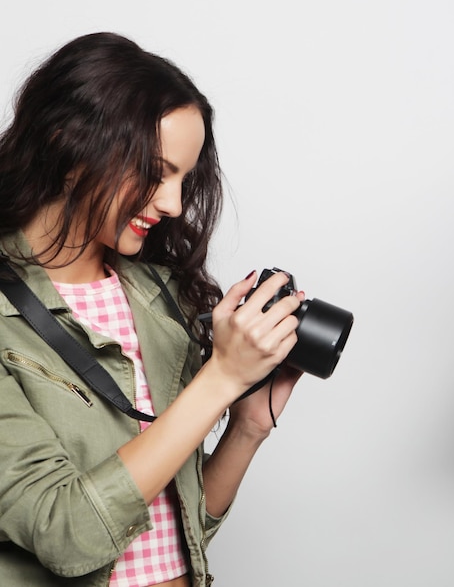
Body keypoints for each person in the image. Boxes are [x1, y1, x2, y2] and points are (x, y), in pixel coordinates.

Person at [0, 32, 304, 587]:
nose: (173, 204)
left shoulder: (158, 297)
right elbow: (65, 533)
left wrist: (247, 426)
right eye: (156, 170)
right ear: (66, 141)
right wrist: (220, 379)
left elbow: (174, 531)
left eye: (184, 178)